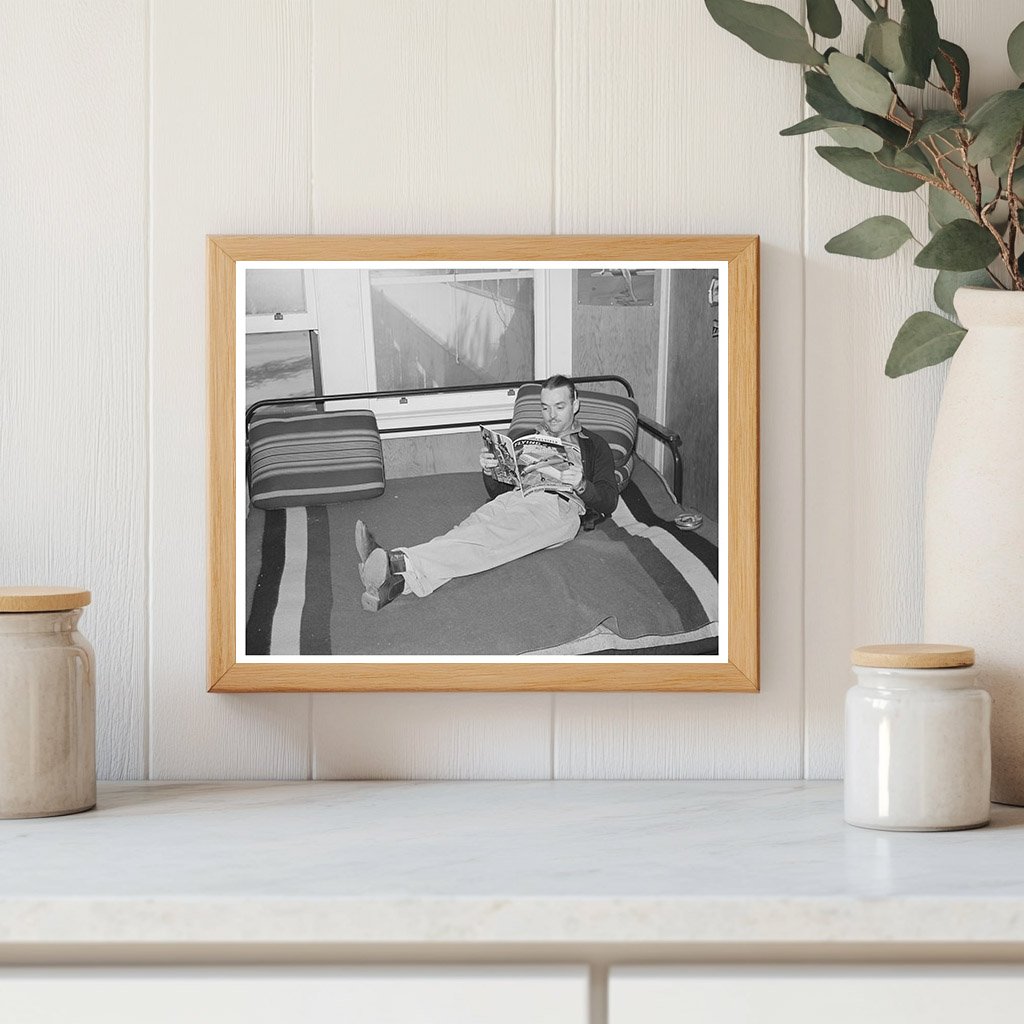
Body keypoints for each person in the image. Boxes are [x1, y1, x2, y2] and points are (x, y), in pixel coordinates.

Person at [354, 374, 618, 611]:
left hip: (559, 507)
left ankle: (397, 561)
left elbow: (608, 501)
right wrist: (491, 471)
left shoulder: (594, 446)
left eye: (560, 407)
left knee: (488, 537)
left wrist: (582, 483)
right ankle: (396, 585)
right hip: (515, 497)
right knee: (467, 530)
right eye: (545, 407)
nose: (551, 415)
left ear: (576, 404)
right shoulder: (528, 437)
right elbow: (497, 491)